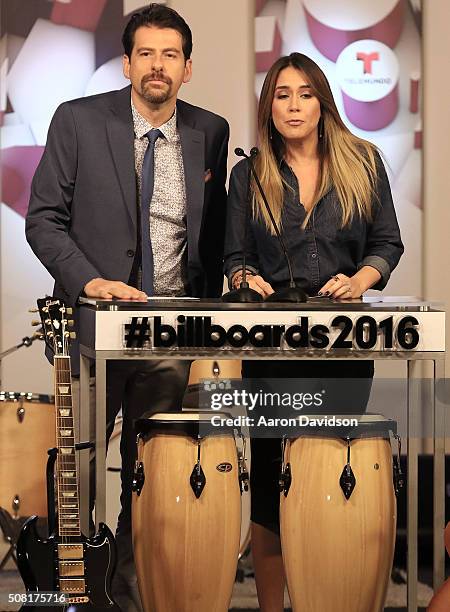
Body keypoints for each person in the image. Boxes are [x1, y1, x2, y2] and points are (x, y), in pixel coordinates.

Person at [26, 4, 229, 611]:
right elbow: (44, 220)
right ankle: (77, 586)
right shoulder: (79, 121)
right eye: (146, 53)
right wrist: (90, 282)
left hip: (168, 336)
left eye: (170, 54)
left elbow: (216, 236)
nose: (157, 66)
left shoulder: (210, 132)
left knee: (151, 472)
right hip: (91, 333)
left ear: (188, 68)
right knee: (79, 467)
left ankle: (131, 585)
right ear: (127, 62)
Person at [224, 52, 403, 611]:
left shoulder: (363, 161)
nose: (294, 104)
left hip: (343, 350)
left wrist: (361, 280)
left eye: (305, 93)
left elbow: (387, 244)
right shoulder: (248, 172)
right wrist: (246, 277)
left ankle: (330, 599)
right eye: (282, 94)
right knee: (273, 488)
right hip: (272, 351)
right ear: (268, 105)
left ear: (323, 101)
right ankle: (272, 608)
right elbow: (234, 254)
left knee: (331, 480)